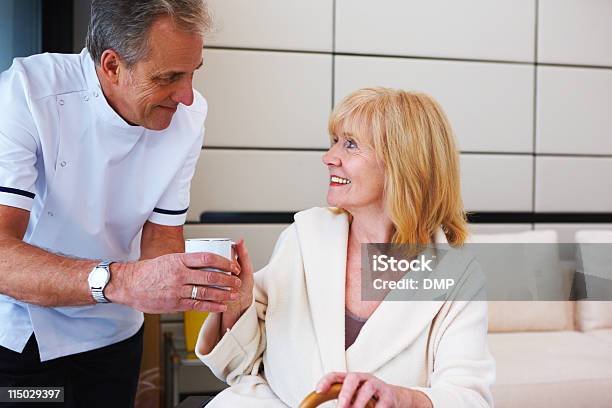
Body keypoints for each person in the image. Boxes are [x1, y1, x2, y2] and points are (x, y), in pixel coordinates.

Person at [0, 1, 242, 406]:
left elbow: (162, 238)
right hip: (22, 337)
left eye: (192, 74)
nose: (186, 96)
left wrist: (203, 288)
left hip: (114, 335)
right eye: (169, 77)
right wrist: (124, 282)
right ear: (112, 65)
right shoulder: (27, 94)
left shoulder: (188, 115)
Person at [196, 88, 495, 407]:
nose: (329, 158)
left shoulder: (458, 274)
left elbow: (469, 398)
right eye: (334, 141)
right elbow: (243, 365)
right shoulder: (303, 237)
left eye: (350, 144)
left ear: (402, 162)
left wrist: (401, 398)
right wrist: (237, 305)